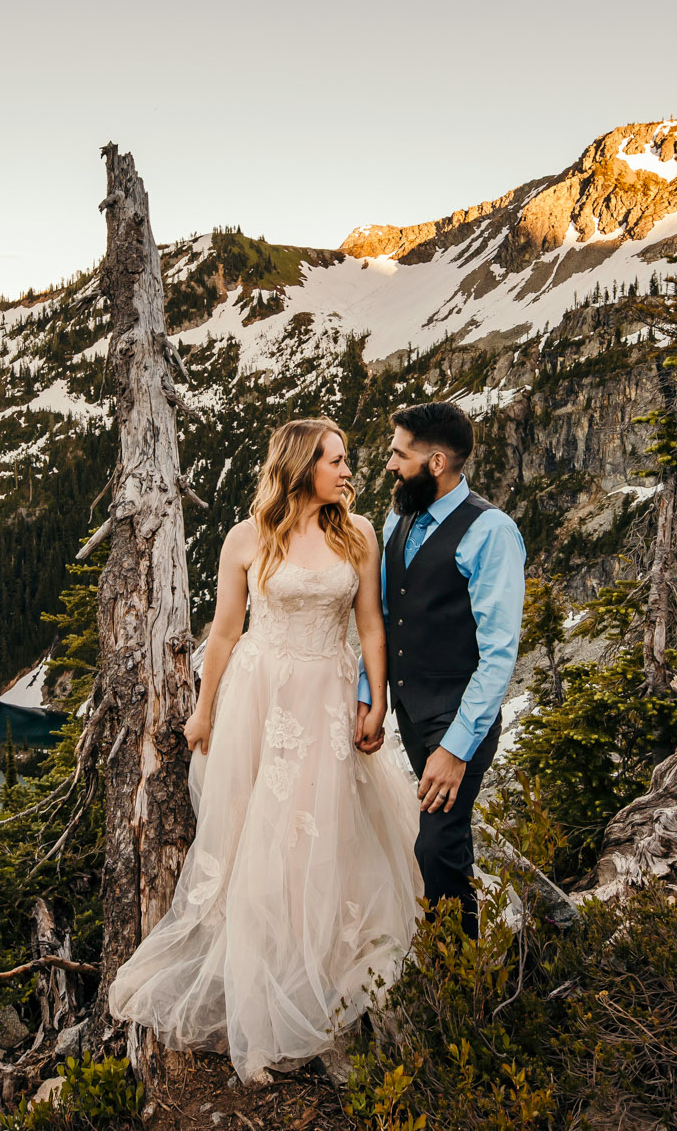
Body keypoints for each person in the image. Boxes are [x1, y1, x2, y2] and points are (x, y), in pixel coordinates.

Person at [106, 418, 425, 1085]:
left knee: (330, 839)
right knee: (266, 846)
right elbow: (223, 634)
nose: (348, 470)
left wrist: (378, 700)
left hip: (330, 698)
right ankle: (266, 1004)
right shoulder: (246, 538)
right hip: (265, 700)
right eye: (337, 460)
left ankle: (328, 998)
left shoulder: (358, 533)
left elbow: (372, 625)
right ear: (304, 465)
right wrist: (203, 710)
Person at [358, 401, 524, 938]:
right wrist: (372, 696)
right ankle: (460, 967)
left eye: (398, 455)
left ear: (435, 462)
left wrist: (455, 750)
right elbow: (385, 613)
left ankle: (456, 983)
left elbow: (499, 652)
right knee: (447, 843)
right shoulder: (397, 518)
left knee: (436, 843)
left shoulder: (491, 531)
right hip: (409, 709)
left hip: (460, 714)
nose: (389, 465)